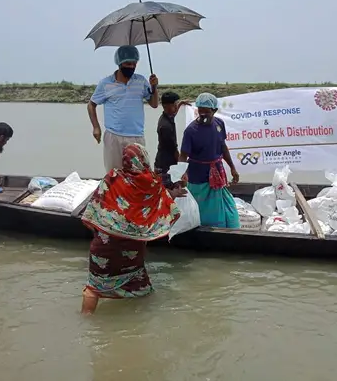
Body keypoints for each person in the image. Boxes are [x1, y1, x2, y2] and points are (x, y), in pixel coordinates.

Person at [80, 143, 186, 315]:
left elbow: (93, 212)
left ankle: (85, 321)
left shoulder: (112, 177)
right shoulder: (150, 183)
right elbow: (165, 206)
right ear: (144, 159)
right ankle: (140, 328)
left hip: (102, 248)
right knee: (141, 289)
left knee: (93, 288)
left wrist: (107, 234)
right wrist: (174, 193)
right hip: (132, 253)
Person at [87, 45, 159, 173]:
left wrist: (154, 88)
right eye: (127, 63)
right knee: (114, 175)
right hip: (114, 137)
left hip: (137, 136)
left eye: (134, 63)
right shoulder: (106, 83)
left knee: (139, 175)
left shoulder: (141, 81)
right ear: (119, 63)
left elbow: (154, 104)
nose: (131, 66)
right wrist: (96, 127)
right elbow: (91, 105)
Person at [179, 93, 240, 228]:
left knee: (223, 207)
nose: (203, 114)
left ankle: (224, 229)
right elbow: (183, 155)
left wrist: (232, 167)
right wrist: (181, 173)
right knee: (199, 208)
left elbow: (223, 147)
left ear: (214, 111)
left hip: (216, 173)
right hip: (197, 175)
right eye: (201, 111)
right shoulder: (190, 131)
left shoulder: (219, 124)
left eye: (207, 112)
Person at [154, 91, 190, 186]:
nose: (176, 106)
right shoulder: (166, 127)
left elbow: (174, 113)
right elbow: (174, 151)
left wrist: (181, 103)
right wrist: (182, 170)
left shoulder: (167, 116)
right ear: (166, 106)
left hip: (164, 162)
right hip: (164, 167)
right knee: (169, 192)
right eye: (174, 104)